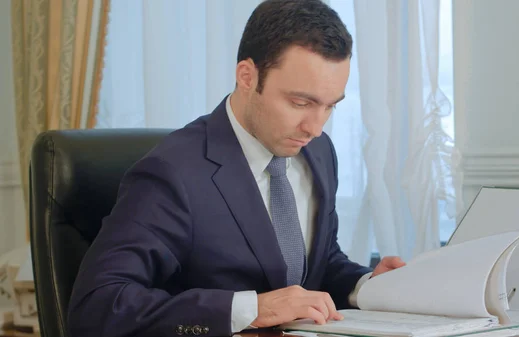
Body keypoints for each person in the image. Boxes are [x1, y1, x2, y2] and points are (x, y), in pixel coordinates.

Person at [67, 0, 405, 336]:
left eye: (330, 106)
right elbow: (98, 306)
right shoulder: (172, 173)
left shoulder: (318, 152)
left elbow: (315, 266)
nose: (315, 127)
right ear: (247, 76)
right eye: (300, 103)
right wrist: (252, 309)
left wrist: (365, 285)